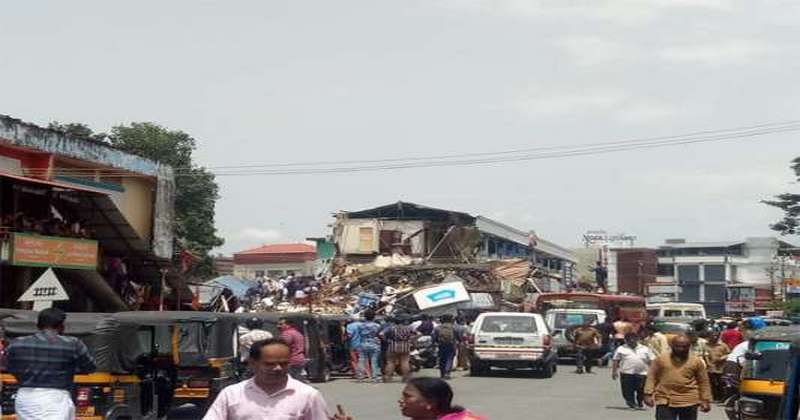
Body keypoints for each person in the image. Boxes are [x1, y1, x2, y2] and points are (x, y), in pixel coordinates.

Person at [203, 338, 331, 420]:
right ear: (253, 363)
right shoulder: (231, 394)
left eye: (284, 363)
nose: (278, 368)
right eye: (270, 364)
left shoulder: (308, 395)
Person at [6, 308, 97, 420]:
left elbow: (9, 367)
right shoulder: (73, 344)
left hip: (25, 397)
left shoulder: (17, 344)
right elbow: (90, 367)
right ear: (61, 326)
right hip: (56, 399)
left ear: (38, 325)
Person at [644, 335, 712, 420]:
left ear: (689, 347)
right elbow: (652, 376)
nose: (681, 349)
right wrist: (648, 394)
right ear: (672, 346)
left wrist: (705, 400)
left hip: (689, 400)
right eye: (678, 346)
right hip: (665, 399)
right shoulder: (661, 360)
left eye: (684, 347)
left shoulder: (696, 361)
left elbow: (703, 381)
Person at [612, 332, 655, 409]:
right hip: (626, 373)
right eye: (629, 340)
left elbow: (651, 360)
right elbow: (616, 360)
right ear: (626, 340)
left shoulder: (645, 349)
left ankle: (640, 401)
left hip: (642, 373)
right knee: (627, 389)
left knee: (641, 389)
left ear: (637, 339)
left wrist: (653, 372)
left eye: (633, 339)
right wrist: (614, 371)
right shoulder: (621, 349)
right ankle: (631, 402)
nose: (631, 341)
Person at [382, 316, 418, 383]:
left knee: (390, 362)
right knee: (405, 362)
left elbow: (381, 334)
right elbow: (419, 333)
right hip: (405, 345)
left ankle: (388, 378)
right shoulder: (408, 328)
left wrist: (387, 340)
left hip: (393, 345)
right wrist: (411, 339)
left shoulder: (391, 328)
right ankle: (406, 378)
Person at [357, 310, 382, 383]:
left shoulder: (360, 325)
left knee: (361, 360)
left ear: (365, 316)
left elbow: (359, 333)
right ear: (374, 317)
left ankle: (360, 377)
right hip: (374, 344)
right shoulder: (377, 325)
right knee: (374, 361)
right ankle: (375, 378)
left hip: (363, 343)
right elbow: (378, 334)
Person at [703, 333, 730, 402]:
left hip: (721, 367)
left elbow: (728, 353)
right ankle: (713, 397)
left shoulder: (723, 345)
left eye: (715, 336)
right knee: (712, 383)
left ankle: (721, 397)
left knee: (721, 382)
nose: (714, 337)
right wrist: (708, 363)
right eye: (712, 336)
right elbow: (705, 355)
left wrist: (722, 358)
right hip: (711, 367)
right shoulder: (706, 345)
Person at [433, 315, 459, 380]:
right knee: (449, 358)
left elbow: (434, 337)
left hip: (441, 345)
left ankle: (442, 373)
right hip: (451, 345)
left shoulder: (438, 327)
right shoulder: (453, 327)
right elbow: (457, 336)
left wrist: (435, 343)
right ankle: (447, 373)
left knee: (442, 359)